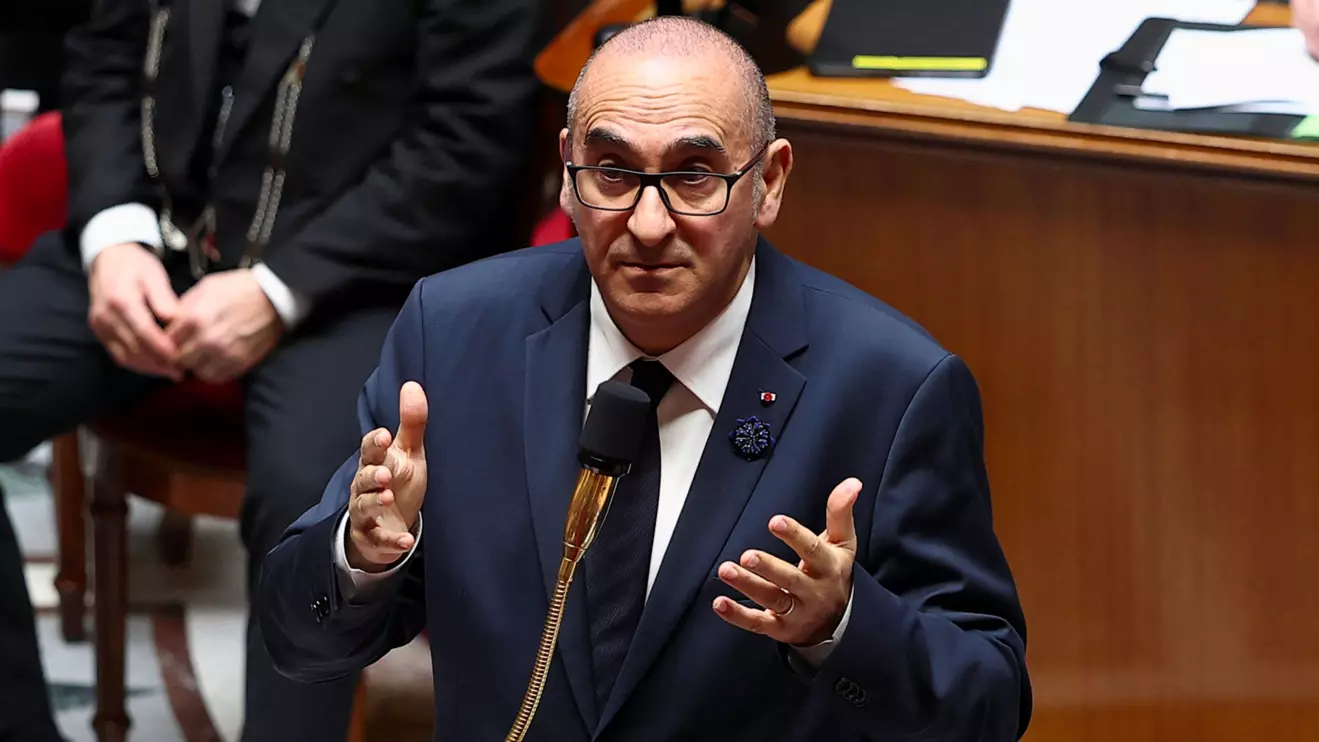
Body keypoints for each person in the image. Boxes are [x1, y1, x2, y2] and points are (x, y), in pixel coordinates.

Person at [257, 16, 1031, 742]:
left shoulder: (889, 386)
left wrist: (842, 625)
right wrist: (361, 557)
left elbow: (987, 702)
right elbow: (299, 640)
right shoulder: (457, 333)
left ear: (769, 182)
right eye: (613, 172)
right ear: (566, 176)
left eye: (694, 177)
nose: (649, 224)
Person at [0, 0, 543, 739]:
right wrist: (114, 233)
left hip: (353, 279)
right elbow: (102, 57)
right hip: (152, 236)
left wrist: (278, 289)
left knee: (316, 503)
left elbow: (466, 141)